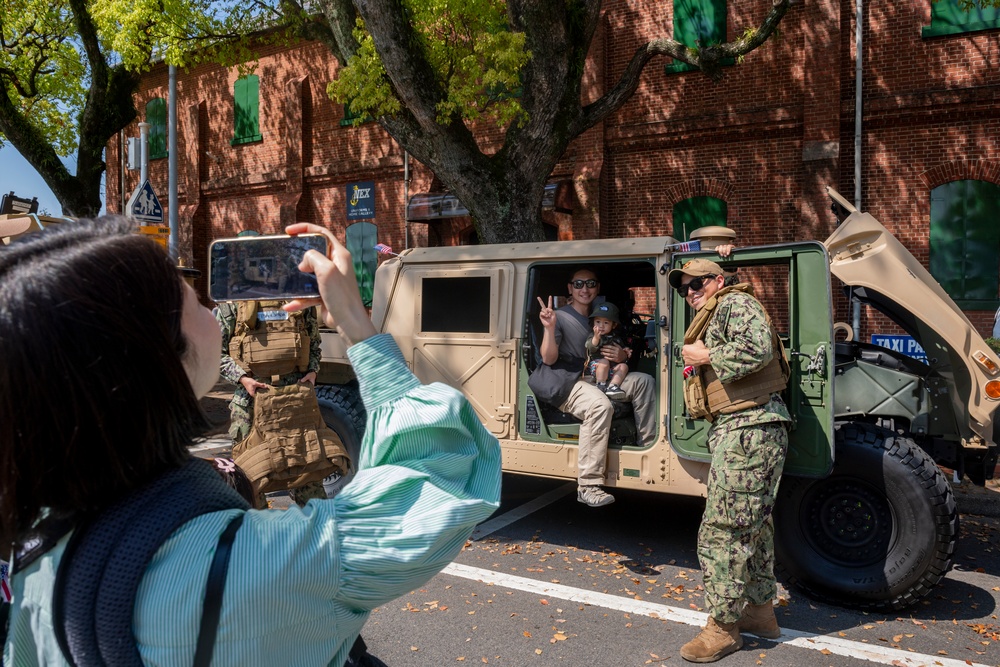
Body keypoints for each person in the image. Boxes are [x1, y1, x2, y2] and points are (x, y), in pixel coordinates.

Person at [0, 217, 501, 665]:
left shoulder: (32, 560)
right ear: (156, 356)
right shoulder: (271, 566)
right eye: (190, 297)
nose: (208, 299)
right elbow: (441, 472)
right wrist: (354, 320)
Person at [667, 258, 791, 663]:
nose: (690, 292)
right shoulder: (715, 311)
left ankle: (722, 627)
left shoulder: (734, 304)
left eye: (697, 283)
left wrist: (705, 357)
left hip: (750, 427)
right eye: (684, 287)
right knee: (752, 526)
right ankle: (759, 612)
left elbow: (757, 347)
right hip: (742, 427)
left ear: (718, 280)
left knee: (723, 530)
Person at [536, 268, 656, 507]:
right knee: (600, 406)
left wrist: (621, 354)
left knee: (644, 381)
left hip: (595, 377)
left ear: (597, 288)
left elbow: (613, 352)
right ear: (570, 288)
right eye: (578, 284)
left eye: (590, 283)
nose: (584, 289)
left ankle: (648, 448)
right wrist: (549, 328)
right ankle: (588, 485)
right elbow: (548, 359)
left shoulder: (599, 319)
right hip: (567, 381)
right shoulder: (559, 316)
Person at [215, 297, 329, 505]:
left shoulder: (300, 305)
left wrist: (313, 370)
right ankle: (255, 532)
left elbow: (314, 342)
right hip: (251, 402)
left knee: (307, 464)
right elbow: (216, 352)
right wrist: (242, 379)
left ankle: (318, 527)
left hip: (294, 399)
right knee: (250, 472)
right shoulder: (233, 307)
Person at [585, 301, 629, 400]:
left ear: (614, 325)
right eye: (598, 322)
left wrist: (626, 351)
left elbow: (622, 348)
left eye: (606, 323)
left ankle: (613, 386)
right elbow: (590, 347)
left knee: (624, 366)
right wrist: (596, 338)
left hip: (611, 369)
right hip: (596, 367)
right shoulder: (594, 336)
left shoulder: (615, 338)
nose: (601, 326)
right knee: (604, 362)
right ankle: (600, 386)